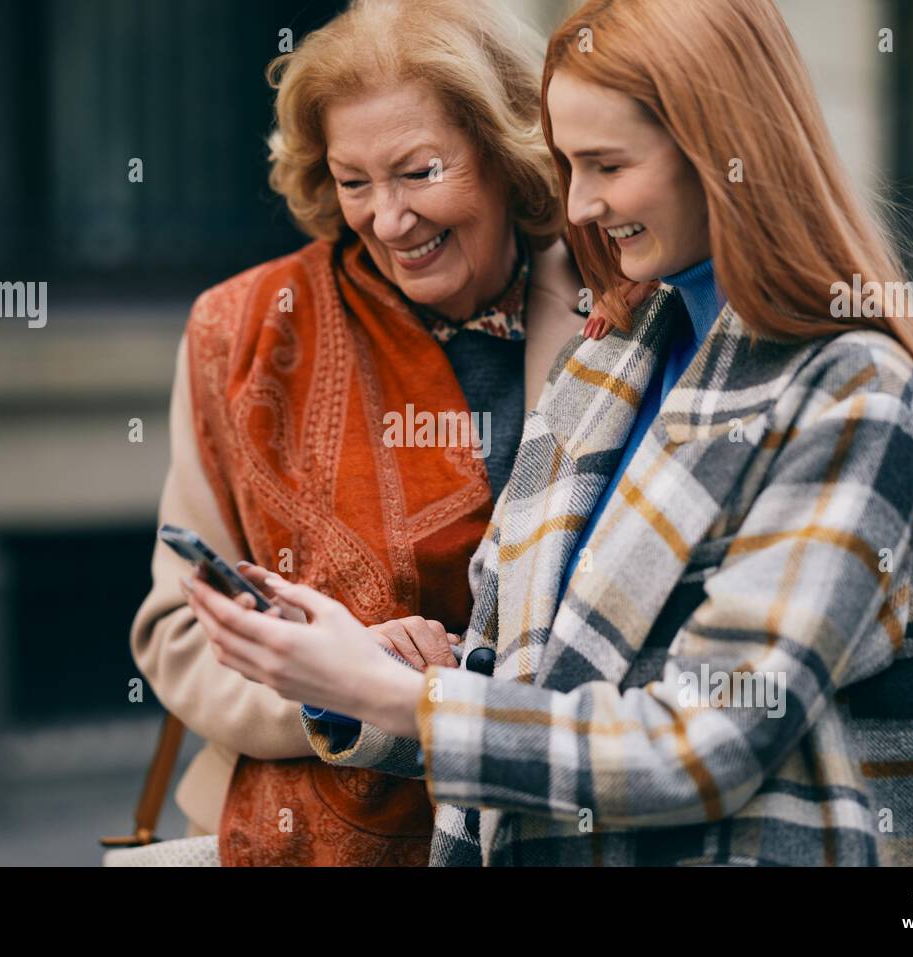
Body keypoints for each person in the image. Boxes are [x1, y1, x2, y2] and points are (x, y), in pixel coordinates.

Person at [182, 0, 913, 866]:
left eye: (607, 163)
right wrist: (362, 671)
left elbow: (704, 744)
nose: (577, 202)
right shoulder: (608, 359)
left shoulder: (850, 389)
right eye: (569, 163)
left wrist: (393, 695)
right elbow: (533, 688)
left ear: (724, 150)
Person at [129, 0, 584, 865]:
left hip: (554, 824)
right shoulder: (245, 329)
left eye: (418, 172)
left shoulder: (615, 305)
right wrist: (331, 689)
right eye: (353, 180)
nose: (388, 218)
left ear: (505, 152)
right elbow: (177, 627)